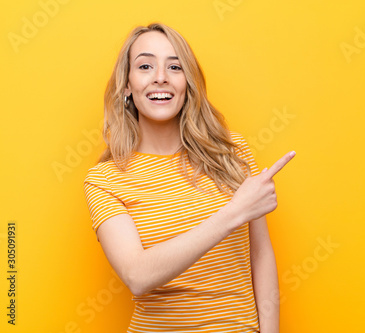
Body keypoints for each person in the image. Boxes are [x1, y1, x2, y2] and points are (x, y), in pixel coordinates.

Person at [83, 22, 295, 333]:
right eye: (145, 66)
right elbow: (137, 276)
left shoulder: (232, 154)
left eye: (175, 67)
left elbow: (261, 256)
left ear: (188, 82)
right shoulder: (105, 179)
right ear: (127, 85)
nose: (160, 77)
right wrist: (234, 213)